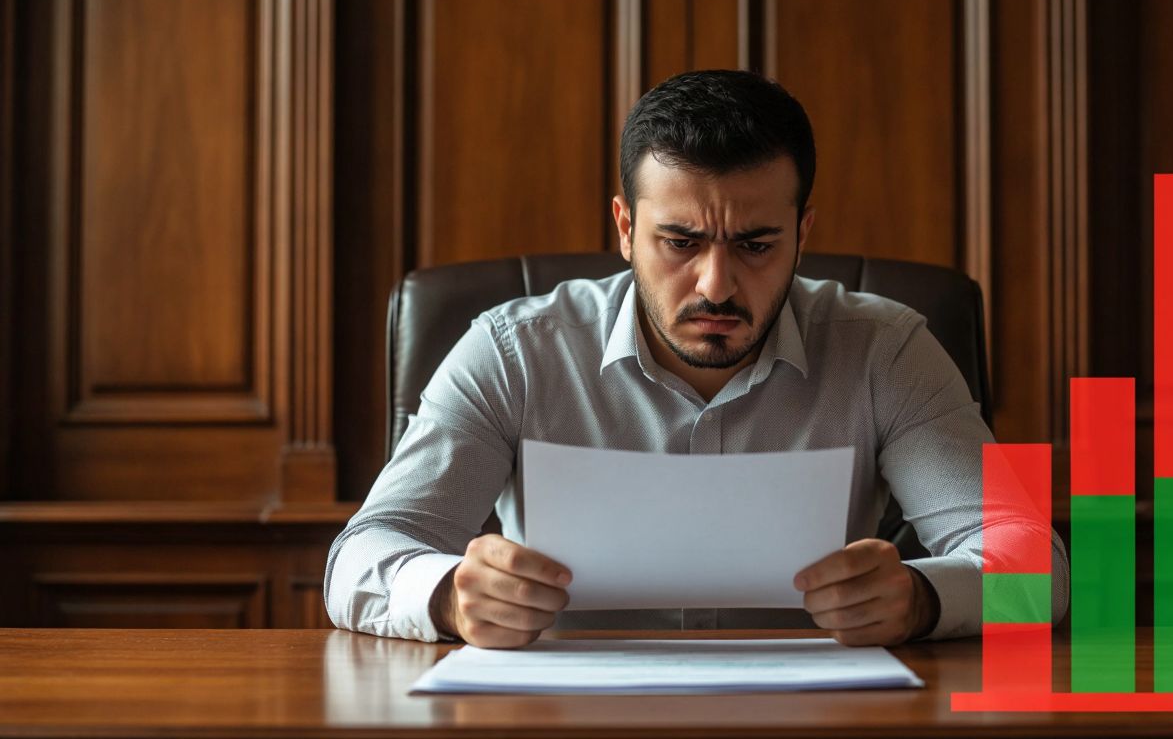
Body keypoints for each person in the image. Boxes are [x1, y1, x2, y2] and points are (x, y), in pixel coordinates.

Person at [325, 69, 1069, 649]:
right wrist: (449, 596)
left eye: (756, 245)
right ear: (625, 227)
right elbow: (362, 557)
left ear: (803, 233)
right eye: (680, 242)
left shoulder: (885, 350)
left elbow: (1039, 566)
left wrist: (922, 599)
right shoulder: (513, 353)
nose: (716, 284)